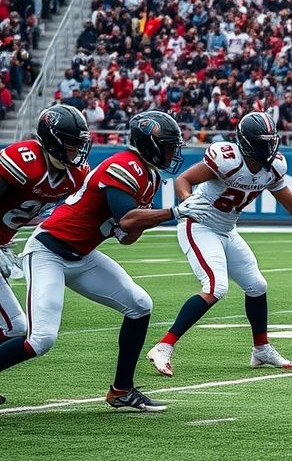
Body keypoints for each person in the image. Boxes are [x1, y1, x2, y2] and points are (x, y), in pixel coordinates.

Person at [0, 111, 185, 412]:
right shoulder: (124, 164)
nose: (170, 153)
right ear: (148, 144)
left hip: (81, 255)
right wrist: (173, 213)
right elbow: (127, 217)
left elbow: (126, 235)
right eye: (166, 146)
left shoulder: (148, 178)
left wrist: (139, 221)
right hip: (48, 251)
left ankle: (121, 390)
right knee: (41, 338)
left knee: (140, 305)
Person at [147, 112, 292, 377]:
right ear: (246, 142)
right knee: (215, 287)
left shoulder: (274, 167)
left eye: (270, 141)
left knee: (257, 286)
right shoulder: (227, 159)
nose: (268, 148)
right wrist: (186, 202)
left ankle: (261, 349)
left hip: (226, 229)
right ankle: (164, 346)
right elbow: (183, 179)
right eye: (262, 142)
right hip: (199, 224)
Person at [0, 106, 92, 361]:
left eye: (79, 143)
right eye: (71, 143)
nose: (76, 150)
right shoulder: (24, 160)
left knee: (15, 327)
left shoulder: (74, 175)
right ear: (52, 139)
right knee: (15, 326)